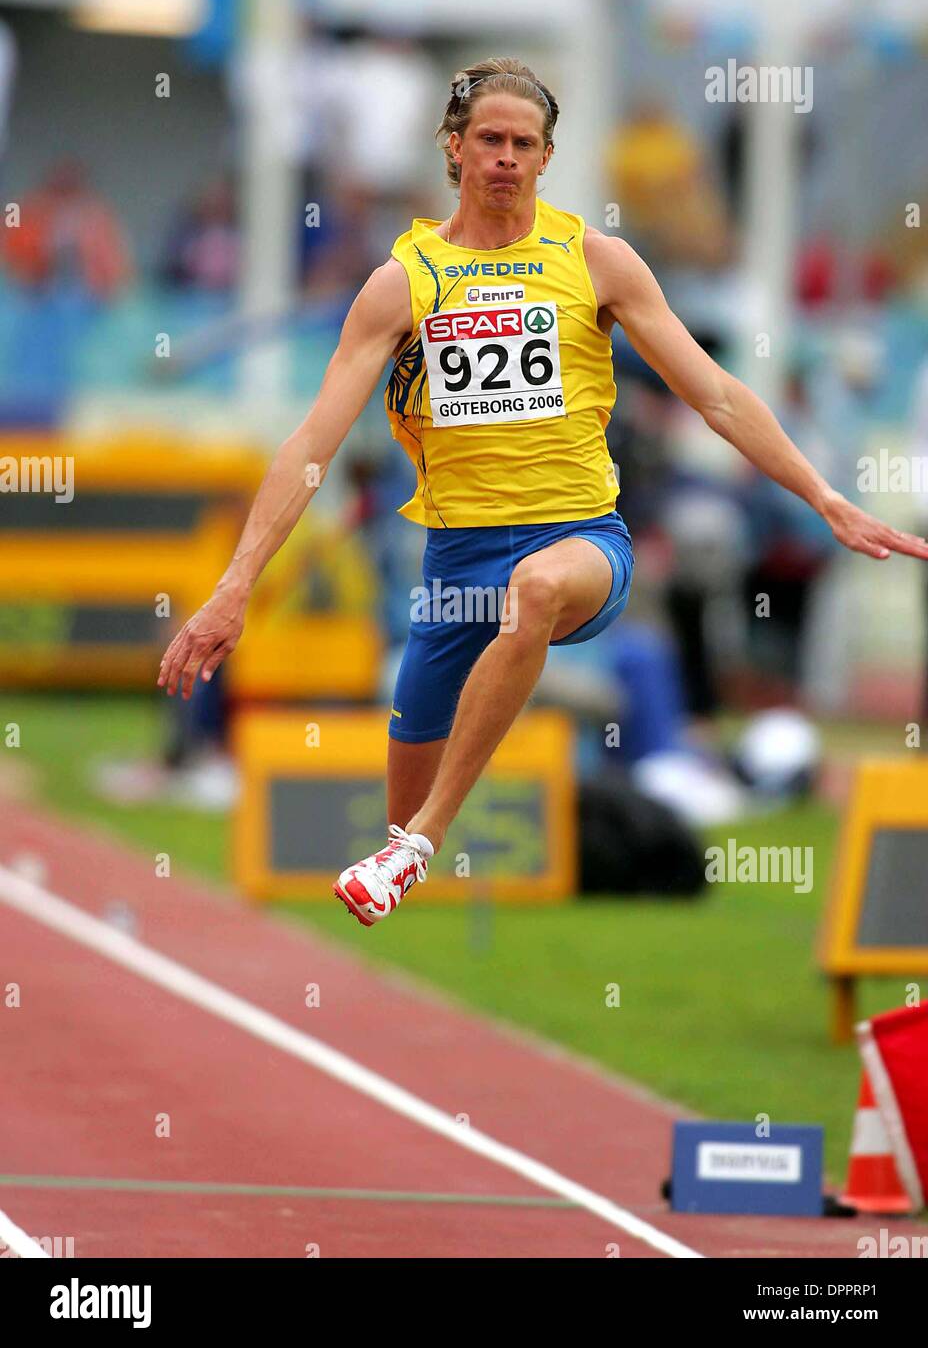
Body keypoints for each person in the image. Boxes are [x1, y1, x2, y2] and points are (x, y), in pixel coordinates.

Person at [158, 57, 928, 927]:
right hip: (455, 563)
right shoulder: (402, 284)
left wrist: (824, 496)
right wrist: (234, 588)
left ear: (547, 156)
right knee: (401, 795)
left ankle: (415, 848)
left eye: (525, 143)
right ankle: (409, 843)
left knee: (533, 596)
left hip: (579, 540)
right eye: (489, 139)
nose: (506, 158)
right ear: (454, 147)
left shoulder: (596, 262)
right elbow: (310, 447)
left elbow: (714, 393)